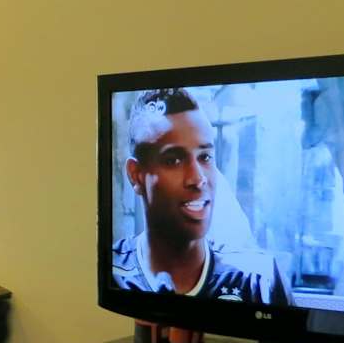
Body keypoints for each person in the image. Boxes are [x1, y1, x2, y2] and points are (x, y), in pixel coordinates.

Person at [112, 88, 292, 304]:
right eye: (173, 160)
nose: (198, 179)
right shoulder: (111, 270)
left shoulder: (258, 281)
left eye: (205, 157)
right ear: (136, 175)